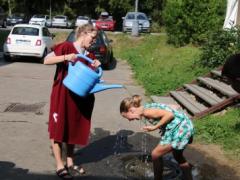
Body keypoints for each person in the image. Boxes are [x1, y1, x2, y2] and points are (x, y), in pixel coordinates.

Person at [44, 24, 101, 179]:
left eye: (96, 39)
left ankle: (70, 161)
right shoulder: (67, 46)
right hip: (61, 95)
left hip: (78, 99)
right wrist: (66, 57)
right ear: (83, 33)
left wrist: (95, 68)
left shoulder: (90, 55)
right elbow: (46, 60)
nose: (94, 42)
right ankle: (59, 165)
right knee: (58, 129)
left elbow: (91, 79)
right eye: (93, 38)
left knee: (72, 128)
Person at [120, 95, 194, 180]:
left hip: (180, 130)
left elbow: (169, 115)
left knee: (155, 154)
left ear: (131, 110)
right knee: (178, 156)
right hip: (184, 126)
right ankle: (189, 177)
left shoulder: (146, 112)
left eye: (127, 117)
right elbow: (170, 107)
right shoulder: (147, 107)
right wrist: (164, 126)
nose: (129, 120)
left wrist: (155, 127)